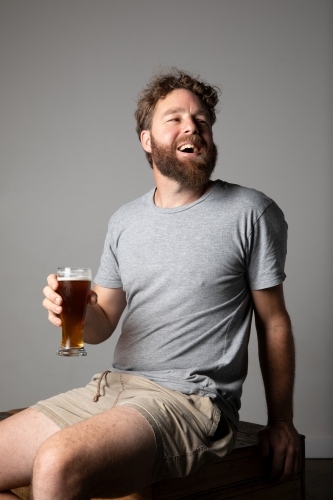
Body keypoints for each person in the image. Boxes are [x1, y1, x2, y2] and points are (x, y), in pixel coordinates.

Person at [0, 69, 300, 500]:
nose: (192, 126)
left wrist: (282, 421)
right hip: (113, 389)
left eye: (201, 120)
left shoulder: (251, 211)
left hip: (190, 401)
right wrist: (77, 315)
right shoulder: (125, 221)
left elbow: (274, 323)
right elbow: (102, 326)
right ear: (147, 141)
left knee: (56, 464)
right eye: (174, 118)